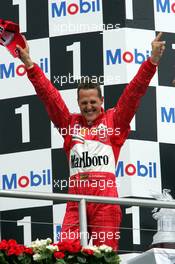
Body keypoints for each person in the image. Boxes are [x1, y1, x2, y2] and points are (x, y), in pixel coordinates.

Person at [15, 33, 165, 251]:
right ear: (78, 103)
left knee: (105, 254)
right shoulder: (69, 124)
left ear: (102, 101)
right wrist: (29, 64)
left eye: (93, 101)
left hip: (105, 201)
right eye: (84, 102)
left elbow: (134, 92)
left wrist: (152, 62)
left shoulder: (115, 120)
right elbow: (49, 96)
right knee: (66, 251)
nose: (89, 106)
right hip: (76, 202)